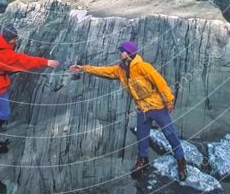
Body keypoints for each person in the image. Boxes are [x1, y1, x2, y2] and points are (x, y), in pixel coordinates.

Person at [69, 41, 187, 181]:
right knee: (142, 136)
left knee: (170, 133)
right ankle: (143, 160)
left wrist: (169, 100)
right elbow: (104, 71)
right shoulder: (121, 70)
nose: (119, 52)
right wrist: (83, 68)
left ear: (129, 53)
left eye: (121, 50)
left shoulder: (143, 67)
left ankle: (181, 161)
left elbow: (160, 83)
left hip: (156, 106)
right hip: (141, 108)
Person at [0, 23, 59, 150]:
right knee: (4, 114)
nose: (16, 40)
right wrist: (46, 62)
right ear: (8, 39)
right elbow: (26, 60)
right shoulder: (5, 55)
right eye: (14, 39)